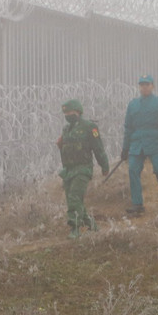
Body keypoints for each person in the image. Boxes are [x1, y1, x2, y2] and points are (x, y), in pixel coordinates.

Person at [121, 75, 158, 216]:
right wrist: (125, 148)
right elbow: (128, 127)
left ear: (153, 86)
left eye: (147, 84)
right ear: (139, 87)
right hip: (136, 144)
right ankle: (137, 204)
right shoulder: (133, 104)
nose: (144, 87)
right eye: (142, 85)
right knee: (133, 170)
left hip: (155, 142)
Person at [57, 99, 111, 238]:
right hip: (68, 170)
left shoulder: (89, 127)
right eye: (66, 113)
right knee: (73, 199)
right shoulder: (66, 128)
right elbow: (66, 149)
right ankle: (90, 223)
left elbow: (98, 148)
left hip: (83, 168)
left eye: (70, 112)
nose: (68, 114)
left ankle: (75, 228)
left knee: (75, 196)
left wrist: (104, 166)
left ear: (78, 112)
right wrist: (60, 145)